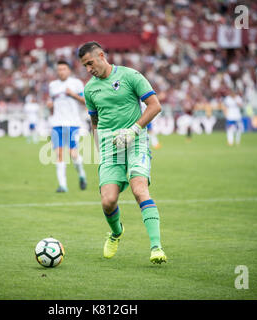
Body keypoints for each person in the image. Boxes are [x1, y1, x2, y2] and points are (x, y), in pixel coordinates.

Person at [78, 41, 167, 264]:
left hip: (135, 143)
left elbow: (155, 105)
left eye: (90, 63)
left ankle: (156, 247)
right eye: (85, 66)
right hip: (110, 149)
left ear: (101, 55)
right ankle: (116, 233)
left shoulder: (131, 76)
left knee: (139, 190)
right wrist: (99, 148)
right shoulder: (89, 89)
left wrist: (134, 130)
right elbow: (95, 121)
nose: (89, 69)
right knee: (108, 201)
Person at [47, 60, 87, 193]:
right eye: (59, 69)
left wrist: (73, 95)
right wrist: (50, 107)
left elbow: (85, 102)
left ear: (69, 70)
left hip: (72, 123)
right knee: (58, 154)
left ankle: (81, 174)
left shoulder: (76, 84)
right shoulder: (53, 85)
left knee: (73, 154)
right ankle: (63, 185)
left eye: (63, 69)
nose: (61, 71)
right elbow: (52, 106)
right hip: (56, 123)